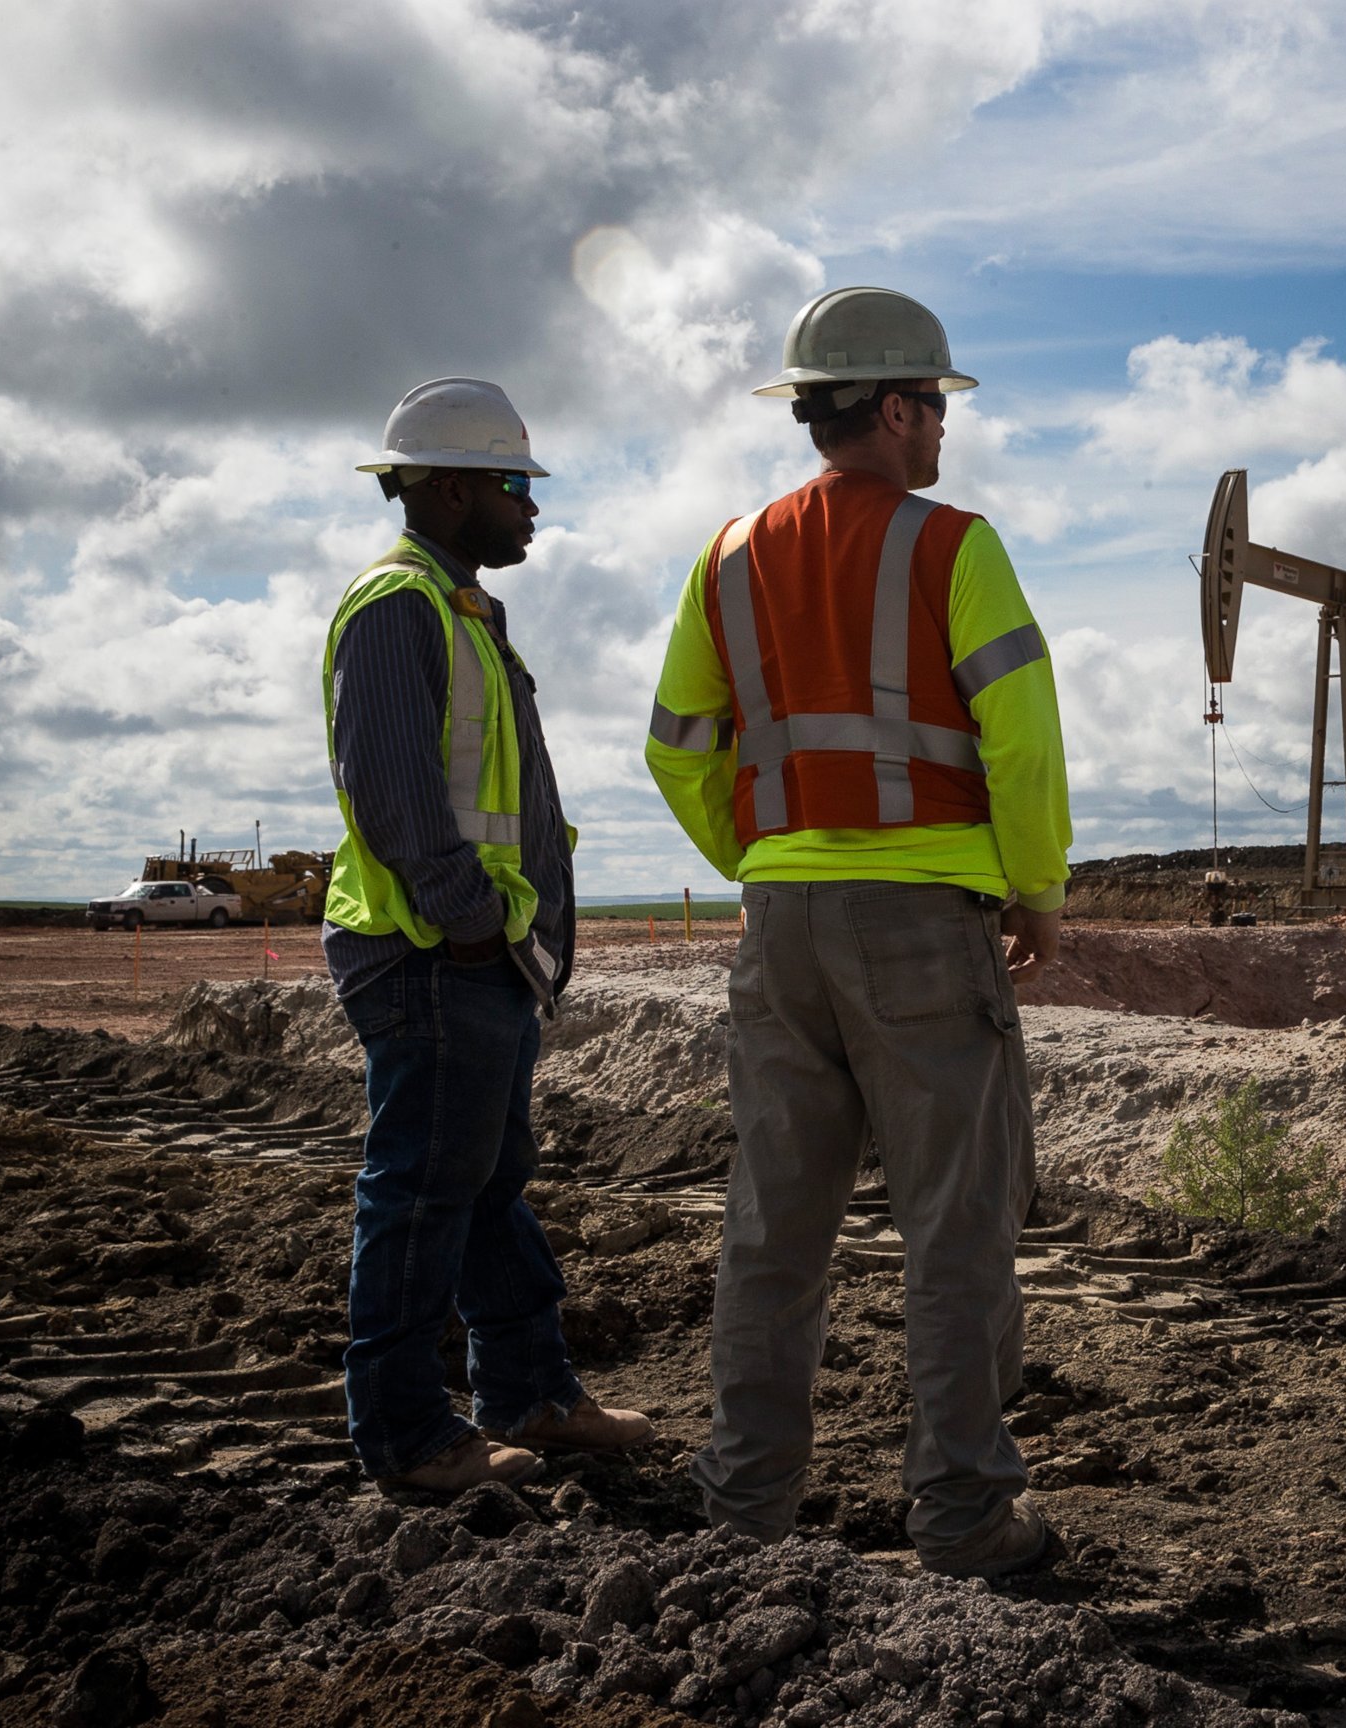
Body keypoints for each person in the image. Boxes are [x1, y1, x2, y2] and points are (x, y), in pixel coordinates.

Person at [645, 288, 1070, 1578]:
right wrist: (1035, 889)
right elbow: (1023, 736)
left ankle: (743, 1513)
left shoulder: (727, 556)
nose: (942, 426)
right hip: (926, 932)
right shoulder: (957, 547)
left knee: (773, 1231)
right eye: (934, 403)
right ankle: (962, 1522)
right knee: (956, 1228)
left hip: (779, 930)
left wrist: (765, 859)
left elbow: (676, 749)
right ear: (891, 409)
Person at [328, 378, 654, 1492]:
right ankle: (408, 1434)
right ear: (454, 486)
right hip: (433, 957)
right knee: (423, 1188)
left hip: (481, 960)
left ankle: (531, 1394)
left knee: (483, 1181)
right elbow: (395, 792)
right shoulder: (397, 607)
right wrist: (471, 929)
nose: (532, 506)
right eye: (516, 484)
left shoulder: (465, 609)